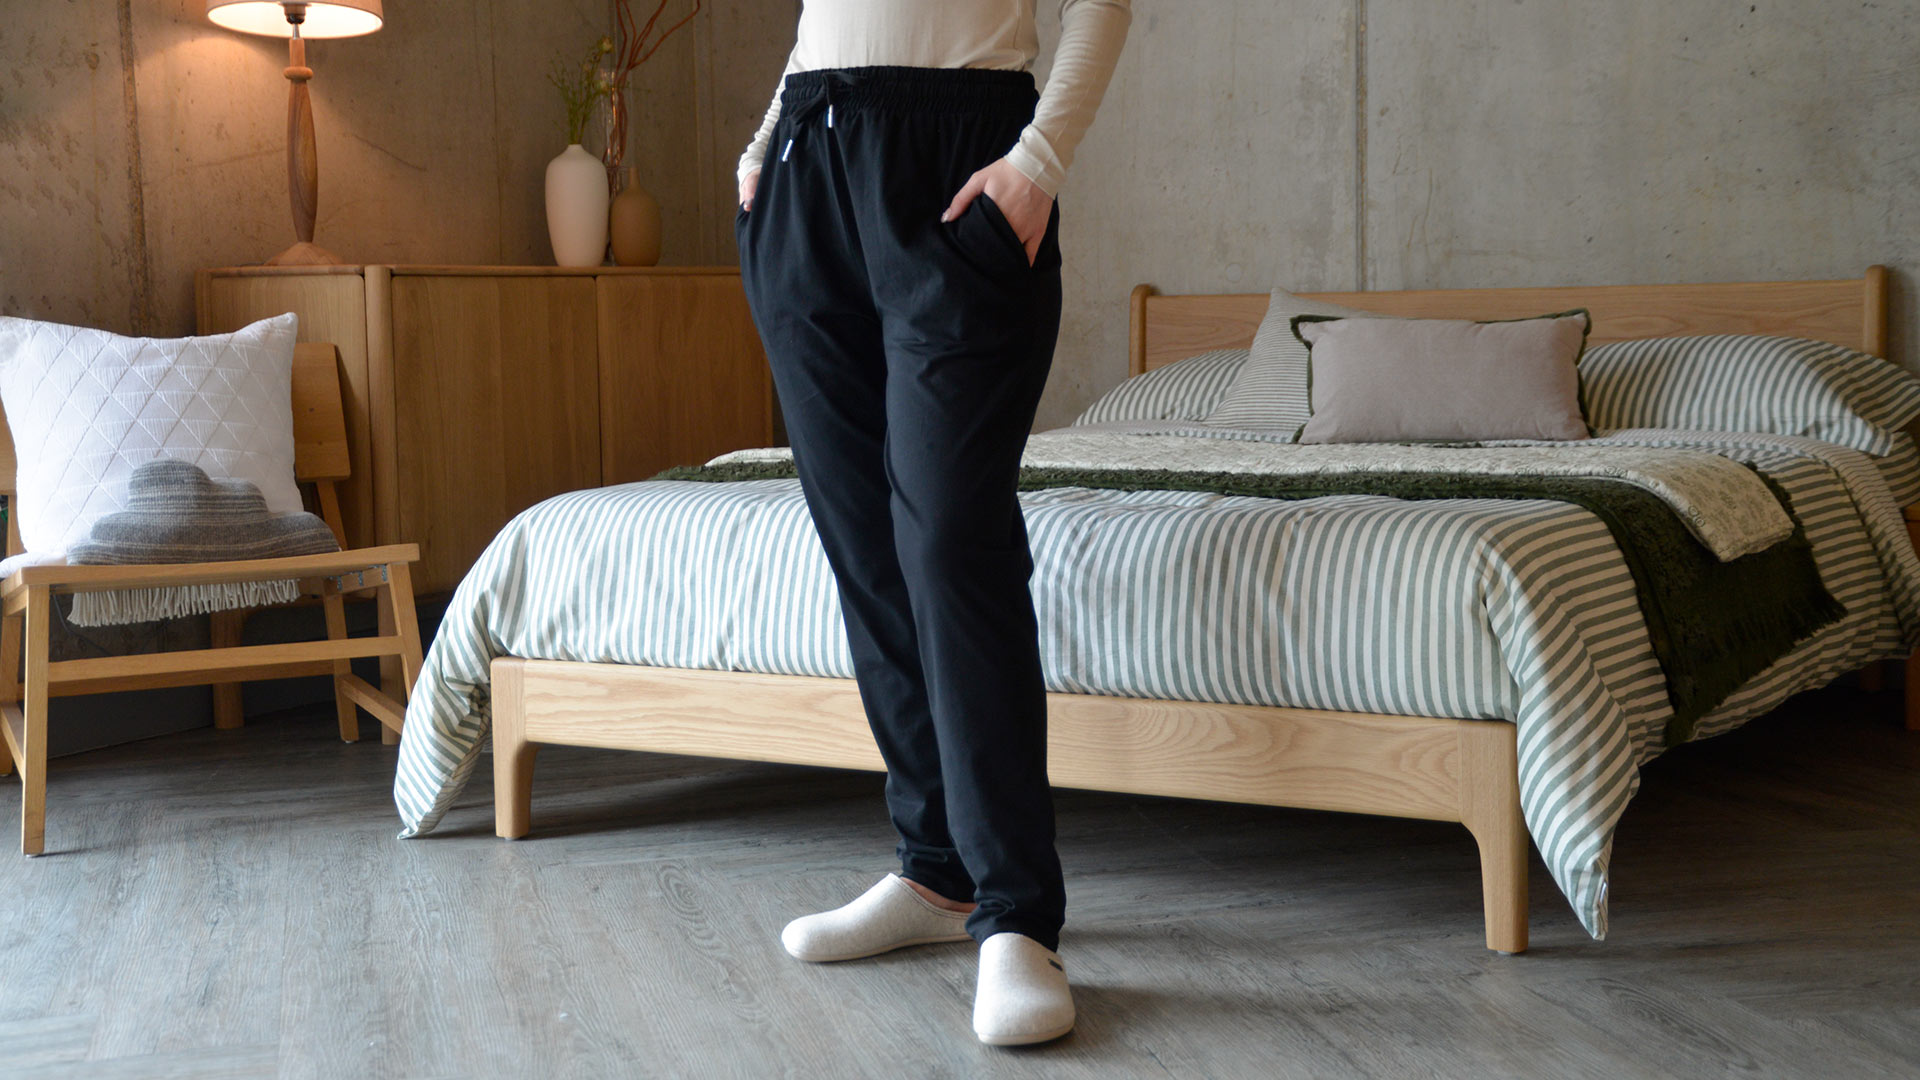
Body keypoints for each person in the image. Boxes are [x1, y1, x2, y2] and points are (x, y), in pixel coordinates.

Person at [732, 0, 1131, 1047]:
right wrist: (765, 142)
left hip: (962, 155)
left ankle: (1017, 912)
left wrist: (1038, 161)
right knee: (863, 542)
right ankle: (936, 871)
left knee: (952, 539)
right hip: (808, 160)